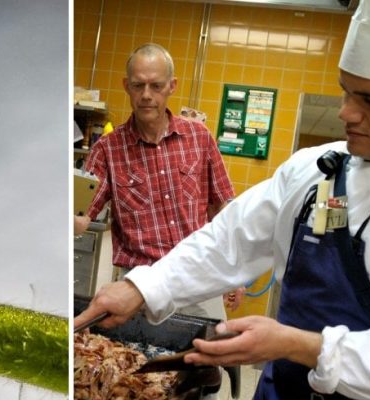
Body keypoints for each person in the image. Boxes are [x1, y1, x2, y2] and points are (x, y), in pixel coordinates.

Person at [74, 1, 370, 399]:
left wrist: (298, 344)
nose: (346, 111)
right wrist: (143, 286)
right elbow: (228, 239)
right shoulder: (311, 168)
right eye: (346, 89)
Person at [73, 43, 243, 317]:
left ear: (172, 85)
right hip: (139, 286)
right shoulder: (108, 149)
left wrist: (234, 268)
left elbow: (223, 208)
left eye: (156, 86)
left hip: (199, 278)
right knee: (125, 358)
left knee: (205, 354)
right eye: (138, 86)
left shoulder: (199, 138)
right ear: (126, 86)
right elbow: (81, 216)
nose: (146, 95)